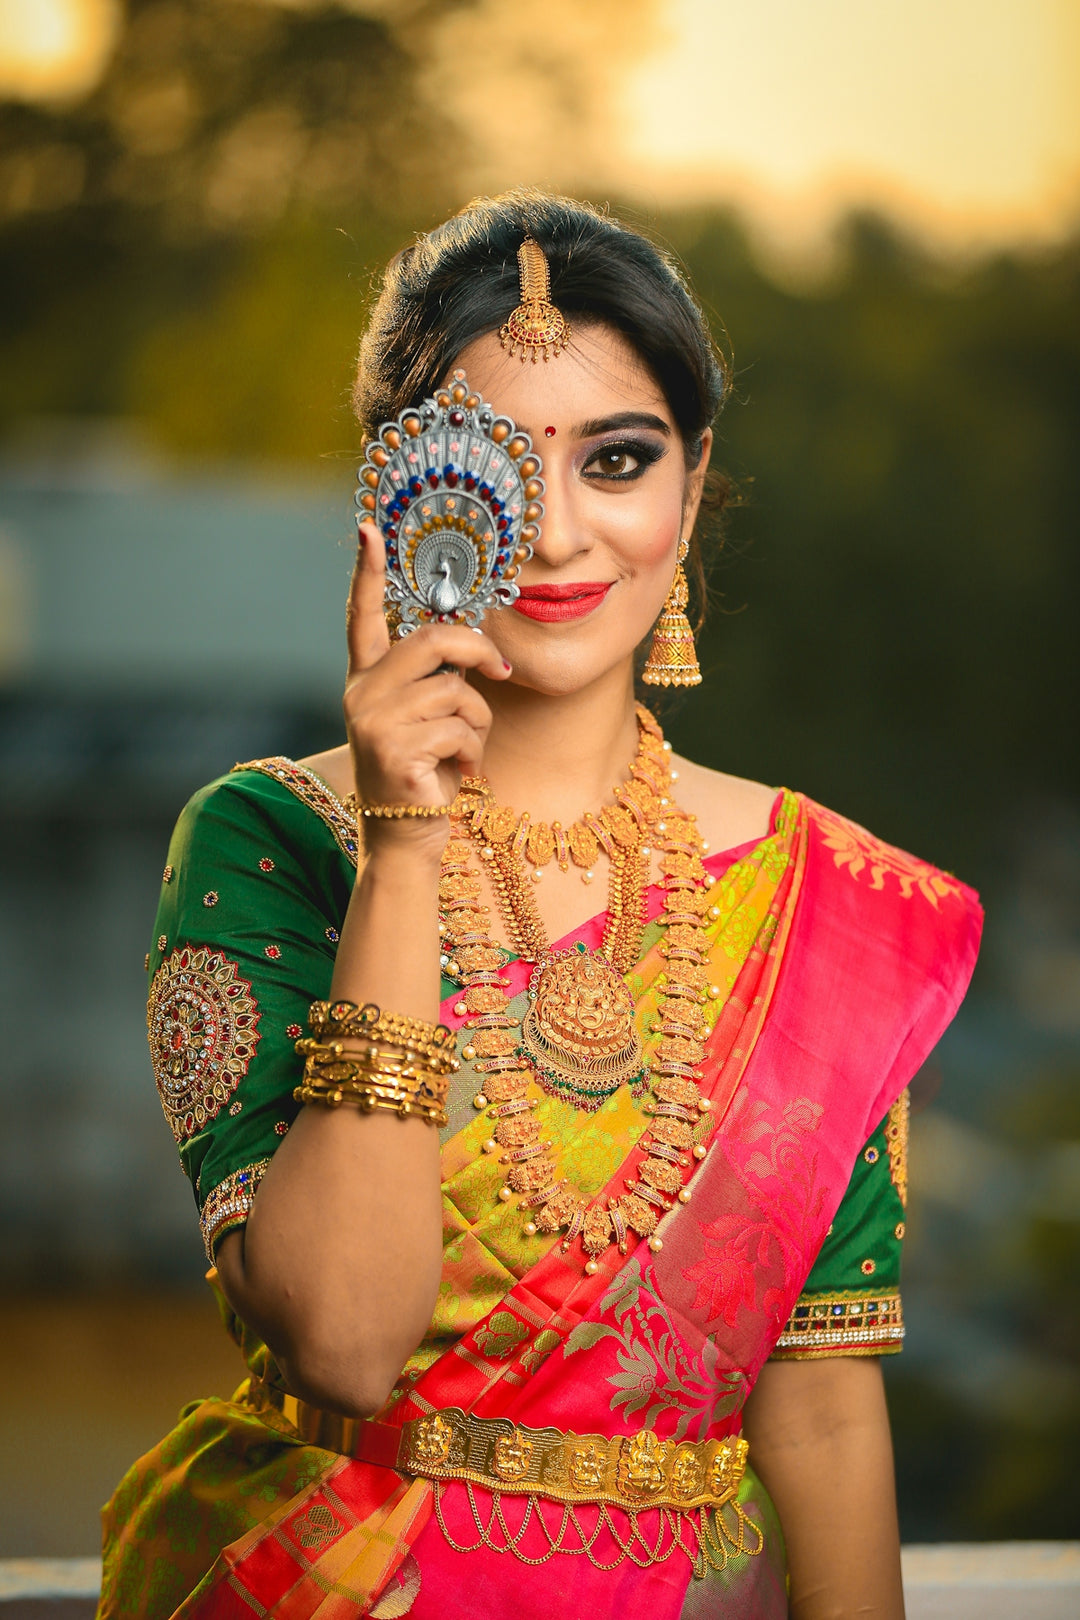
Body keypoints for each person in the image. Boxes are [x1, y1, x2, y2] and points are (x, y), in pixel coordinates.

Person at [98, 190, 982, 1620]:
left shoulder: (832, 899)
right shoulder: (271, 840)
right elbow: (343, 1341)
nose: (560, 533)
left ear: (692, 487)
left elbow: (820, 1411)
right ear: (395, 497)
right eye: (491, 469)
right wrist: (403, 848)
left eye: (618, 460)